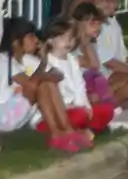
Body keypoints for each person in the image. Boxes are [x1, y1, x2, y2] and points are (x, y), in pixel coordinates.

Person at [1, 17, 90, 153]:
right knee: (41, 84)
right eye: (31, 37)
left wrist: (43, 65)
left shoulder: (26, 60)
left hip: (21, 113)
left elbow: (57, 75)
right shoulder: (4, 60)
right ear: (16, 42)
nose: (36, 40)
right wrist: (42, 70)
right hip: (5, 116)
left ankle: (67, 131)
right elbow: (31, 85)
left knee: (45, 82)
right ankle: (57, 134)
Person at [70, 2, 128, 130]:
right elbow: (93, 65)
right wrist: (86, 43)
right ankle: (114, 113)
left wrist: (88, 43)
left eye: (99, 24)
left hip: (97, 85)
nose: (97, 28)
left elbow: (97, 69)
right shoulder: (72, 48)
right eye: (92, 23)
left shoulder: (90, 44)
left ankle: (116, 111)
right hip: (82, 92)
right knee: (112, 84)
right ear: (79, 24)